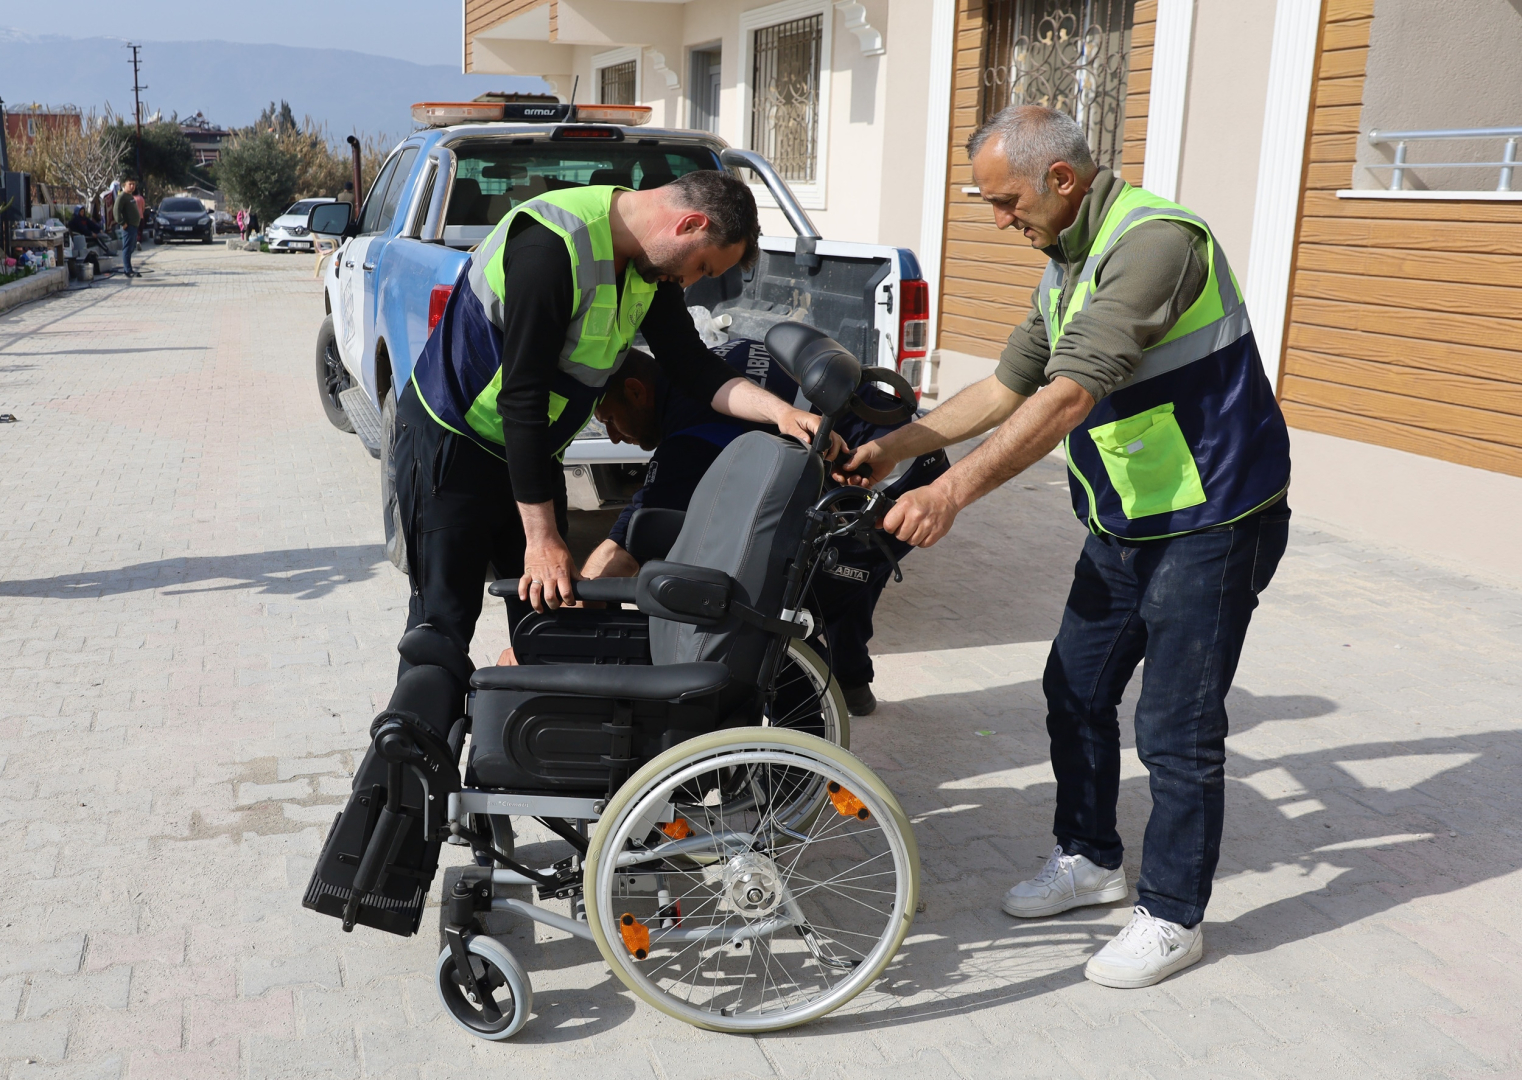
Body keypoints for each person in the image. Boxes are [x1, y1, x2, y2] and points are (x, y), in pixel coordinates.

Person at [838, 105, 1292, 988]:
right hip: (1130, 514)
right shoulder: (1068, 258)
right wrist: (895, 448)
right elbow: (1009, 385)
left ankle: (1173, 915)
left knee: (1176, 727)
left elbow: (1068, 396)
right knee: (1074, 689)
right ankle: (1089, 859)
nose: (999, 220)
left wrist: (950, 491)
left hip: (1214, 517)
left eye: (1006, 201)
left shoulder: (1155, 242)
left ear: (1061, 178)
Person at [397, 171, 840, 674]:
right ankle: (419, 724)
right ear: (690, 224)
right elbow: (522, 399)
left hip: (530, 453)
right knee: (443, 623)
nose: (692, 281)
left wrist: (782, 413)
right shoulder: (551, 249)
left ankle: (526, 720)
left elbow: (694, 367)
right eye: (702, 266)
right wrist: (541, 538)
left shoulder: (650, 269)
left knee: (548, 617)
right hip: (453, 446)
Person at [575, 338, 947, 716]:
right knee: (845, 575)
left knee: (772, 606)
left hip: (899, 478)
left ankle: (805, 727)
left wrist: (580, 599)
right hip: (910, 442)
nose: (614, 437)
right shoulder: (708, 368)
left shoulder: (695, 426)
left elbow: (629, 545)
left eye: (609, 420)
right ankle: (852, 682)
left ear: (636, 392)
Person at [113, 180, 142, 278]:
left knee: (132, 247)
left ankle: (129, 268)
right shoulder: (122, 196)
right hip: (128, 227)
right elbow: (116, 211)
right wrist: (122, 223)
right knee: (127, 248)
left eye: (134, 184)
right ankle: (127, 270)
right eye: (130, 184)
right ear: (124, 184)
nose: (132, 186)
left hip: (134, 226)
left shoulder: (130, 196)